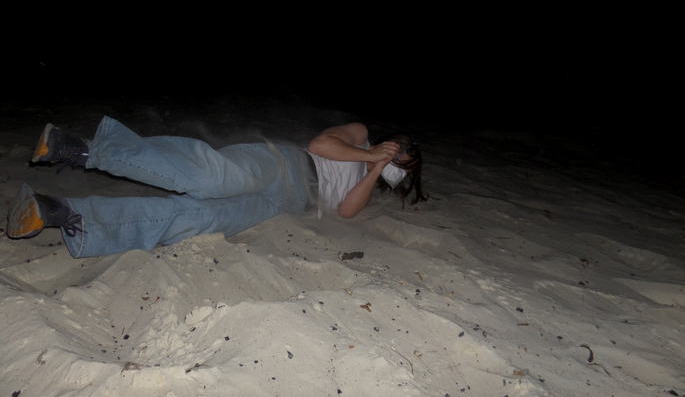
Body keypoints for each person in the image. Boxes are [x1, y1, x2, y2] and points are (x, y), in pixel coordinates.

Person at [6, 117, 425, 258]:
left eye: (399, 165)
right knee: (211, 176)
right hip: (286, 166)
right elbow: (319, 145)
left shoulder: (372, 179)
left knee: (200, 219)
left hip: (287, 205)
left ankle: (62, 213)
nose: (393, 162)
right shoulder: (359, 133)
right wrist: (371, 154)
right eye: (397, 152)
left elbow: (347, 212)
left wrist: (375, 171)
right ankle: (81, 149)